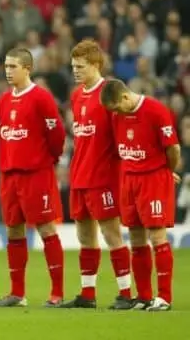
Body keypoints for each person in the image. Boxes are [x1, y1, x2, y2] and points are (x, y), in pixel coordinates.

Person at [60, 40, 133, 309]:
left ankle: (126, 294)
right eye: (73, 67)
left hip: (103, 176)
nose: (75, 71)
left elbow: (122, 138)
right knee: (84, 235)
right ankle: (87, 294)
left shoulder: (110, 93)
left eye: (80, 67)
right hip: (80, 174)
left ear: (96, 65)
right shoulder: (77, 95)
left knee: (111, 234)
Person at [100, 78, 181, 312]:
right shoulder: (117, 116)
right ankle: (144, 296)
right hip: (129, 179)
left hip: (153, 179)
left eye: (116, 107)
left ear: (125, 97)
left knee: (157, 236)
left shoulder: (156, 110)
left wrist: (167, 171)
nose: (115, 113)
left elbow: (173, 147)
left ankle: (164, 297)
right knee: (135, 238)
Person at [0, 48, 66, 307]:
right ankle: (17, 293)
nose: (8, 71)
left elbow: (57, 135)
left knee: (46, 228)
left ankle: (57, 293)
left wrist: (49, 160)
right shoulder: (3, 100)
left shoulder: (41, 98)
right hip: (9, 175)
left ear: (27, 68)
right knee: (13, 230)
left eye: (13, 66)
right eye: (6, 66)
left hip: (36, 174)